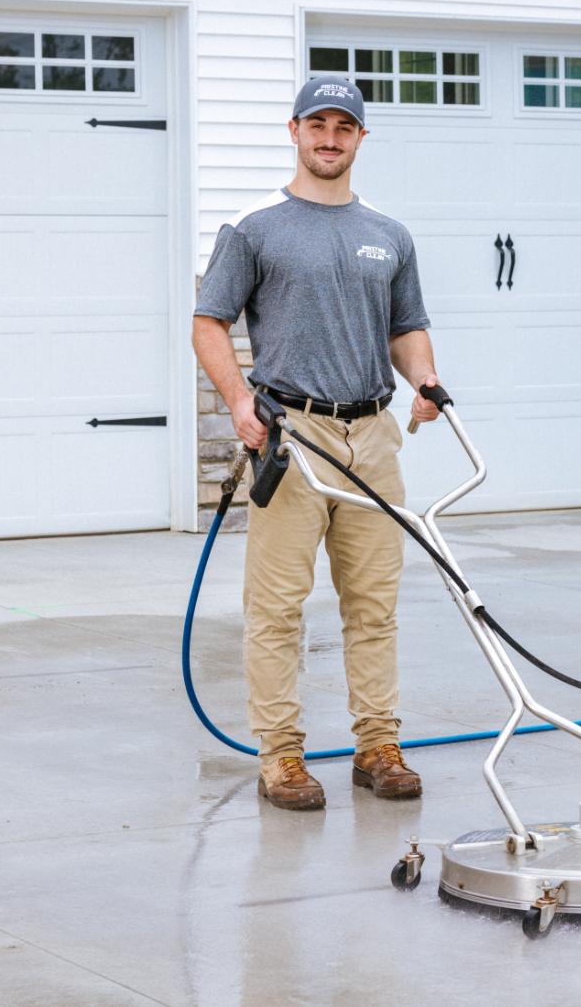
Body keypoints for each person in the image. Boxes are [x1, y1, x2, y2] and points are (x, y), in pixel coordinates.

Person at [192, 75, 443, 811]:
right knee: (278, 608)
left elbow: (406, 329)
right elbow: (210, 321)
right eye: (317, 124)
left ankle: (378, 745)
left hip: (373, 433)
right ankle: (282, 757)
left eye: (344, 126)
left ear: (362, 138)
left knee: (374, 603)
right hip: (291, 435)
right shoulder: (256, 226)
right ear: (294, 131)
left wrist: (425, 380)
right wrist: (239, 399)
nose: (329, 137)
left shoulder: (389, 234)